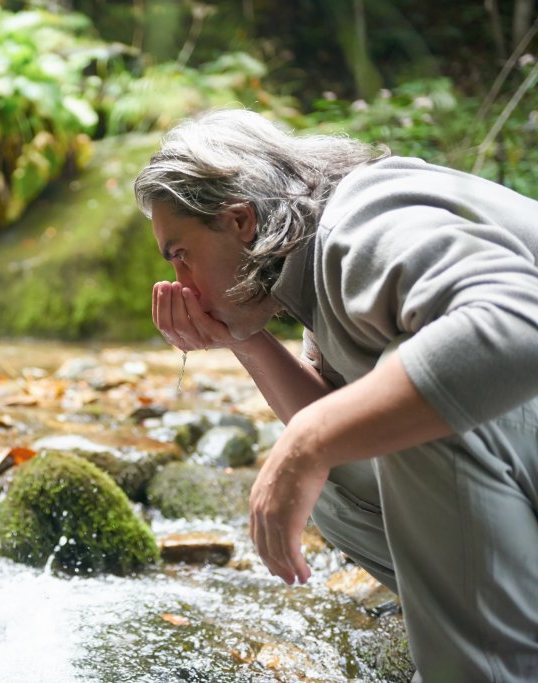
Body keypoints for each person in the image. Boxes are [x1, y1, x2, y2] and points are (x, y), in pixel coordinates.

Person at [134, 108, 538, 682]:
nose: (181, 282)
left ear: (241, 221)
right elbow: (339, 431)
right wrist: (245, 343)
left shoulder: (365, 219)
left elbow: (519, 322)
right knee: (345, 457)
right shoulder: (311, 267)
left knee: (398, 408)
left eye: (180, 253)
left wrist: (308, 443)